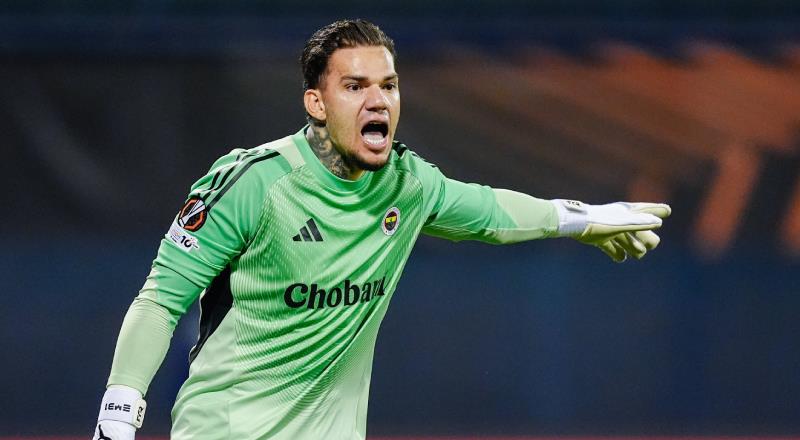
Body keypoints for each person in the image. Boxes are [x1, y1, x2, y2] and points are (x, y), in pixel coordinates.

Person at [92, 19, 671, 440]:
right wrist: (119, 412)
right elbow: (161, 299)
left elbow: (491, 213)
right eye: (355, 86)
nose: (378, 101)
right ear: (316, 103)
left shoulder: (407, 185)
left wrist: (582, 219)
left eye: (388, 86)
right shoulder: (254, 182)